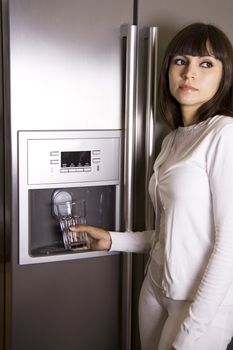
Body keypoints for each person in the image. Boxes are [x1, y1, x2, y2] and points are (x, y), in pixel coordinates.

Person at [70, 22, 233, 350]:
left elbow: (229, 246)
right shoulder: (172, 140)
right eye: (180, 62)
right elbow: (171, 234)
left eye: (205, 64)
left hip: (201, 306)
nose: (190, 74)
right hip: (156, 290)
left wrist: (193, 332)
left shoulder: (224, 134)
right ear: (168, 71)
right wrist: (112, 240)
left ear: (224, 76)